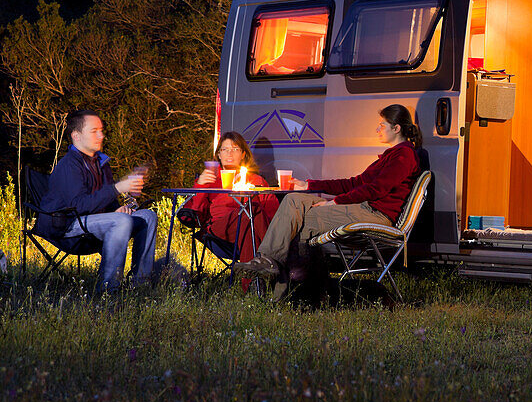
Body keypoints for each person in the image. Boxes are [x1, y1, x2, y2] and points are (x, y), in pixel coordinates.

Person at [234, 104, 423, 296]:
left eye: (382, 125)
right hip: (364, 208)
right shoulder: (391, 156)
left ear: (396, 128)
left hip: (374, 214)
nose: (377, 129)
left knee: (296, 223)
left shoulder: (404, 156)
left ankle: (282, 291)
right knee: (293, 200)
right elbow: (354, 183)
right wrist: (309, 185)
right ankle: (267, 262)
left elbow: (375, 189)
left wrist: (336, 202)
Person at [35, 109, 157, 293]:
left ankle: (140, 284)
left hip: (94, 223)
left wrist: (118, 209)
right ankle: (109, 289)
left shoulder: (101, 163)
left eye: (101, 130)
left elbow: (105, 200)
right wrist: (117, 188)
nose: (101, 135)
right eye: (94, 131)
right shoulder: (69, 165)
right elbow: (79, 206)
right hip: (66, 224)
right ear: (76, 136)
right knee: (121, 221)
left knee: (148, 216)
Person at [180, 131, 277, 289]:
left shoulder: (256, 181)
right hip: (220, 230)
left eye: (235, 149)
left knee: (249, 218)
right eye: (225, 149)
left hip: (250, 230)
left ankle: (252, 285)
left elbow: (273, 213)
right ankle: (271, 261)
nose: (229, 153)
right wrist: (200, 186)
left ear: (243, 154)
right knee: (250, 210)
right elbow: (195, 211)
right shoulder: (210, 179)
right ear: (218, 154)